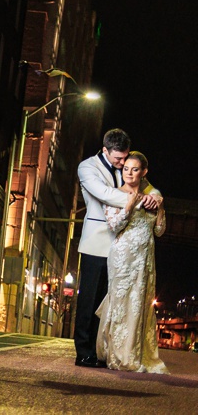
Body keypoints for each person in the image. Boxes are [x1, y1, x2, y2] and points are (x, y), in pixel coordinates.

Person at [73, 129, 162, 367]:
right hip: (97, 241)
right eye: (119, 159)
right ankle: (83, 351)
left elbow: (149, 187)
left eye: (125, 159)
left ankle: (102, 350)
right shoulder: (87, 168)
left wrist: (156, 197)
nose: (123, 164)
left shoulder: (126, 165)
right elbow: (106, 194)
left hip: (122, 247)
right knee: (90, 301)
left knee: (111, 304)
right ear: (105, 150)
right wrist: (144, 200)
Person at [94, 151, 168, 373]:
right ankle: (117, 355)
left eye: (134, 169)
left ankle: (135, 353)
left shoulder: (153, 196)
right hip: (122, 257)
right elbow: (114, 227)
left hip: (145, 260)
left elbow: (160, 231)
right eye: (126, 168)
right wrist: (128, 205)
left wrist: (161, 207)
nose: (129, 173)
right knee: (121, 303)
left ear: (144, 172)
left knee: (139, 306)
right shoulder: (115, 194)